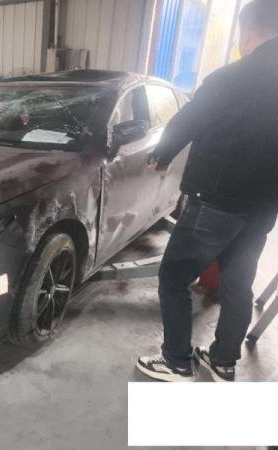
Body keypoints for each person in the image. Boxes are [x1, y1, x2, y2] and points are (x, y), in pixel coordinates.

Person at [137, 0, 278, 382]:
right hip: (264, 208)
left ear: (249, 31)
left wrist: (161, 155)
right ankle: (223, 362)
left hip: (215, 202)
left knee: (174, 277)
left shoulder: (231, 78)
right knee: (238, 284)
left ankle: (177, 361)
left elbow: (188, 121)